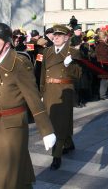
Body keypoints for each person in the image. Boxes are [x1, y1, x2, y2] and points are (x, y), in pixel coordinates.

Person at [0, 23, 55, 189]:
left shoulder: (19, 63)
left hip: (11, 127)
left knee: (5, 177)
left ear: (7, 43)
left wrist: (46, 130)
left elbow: (33, 98)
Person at [40, 24, 81, 170]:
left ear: (66, 37)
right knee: (53, 121)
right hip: (49, 90)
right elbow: (43, 73)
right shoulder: (47, 51)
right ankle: (68, 143)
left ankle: (56, 156)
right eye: (54, 35)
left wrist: (69, 65)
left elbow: (78, 75)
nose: (56, 37)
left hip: (64, 90)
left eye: (59, 35)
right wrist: (42, 92)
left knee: (59, 124)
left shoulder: (72, 52)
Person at [95, 31, 108, 100]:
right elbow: (105, 56)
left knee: (103, 80)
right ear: (105, 37)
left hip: (101, 64)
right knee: (104, 80)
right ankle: (102, 95)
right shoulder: (103, 45)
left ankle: (102, 94)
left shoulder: (99, 44)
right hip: (104, 64)